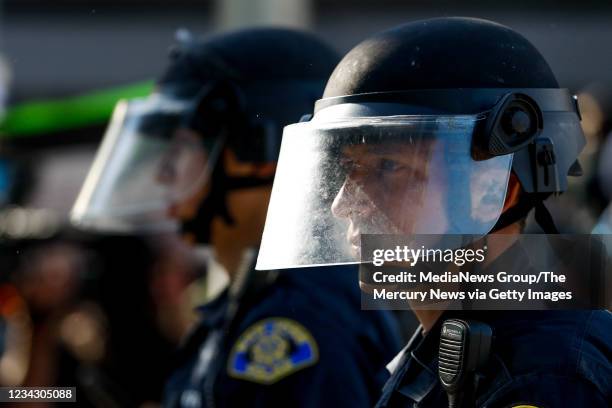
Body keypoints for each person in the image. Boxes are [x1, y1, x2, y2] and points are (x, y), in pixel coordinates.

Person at [256, 18, 611, 407]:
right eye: (346, 170)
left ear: (493, 190)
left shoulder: (544, 375)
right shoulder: (450, 349)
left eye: (387, 167)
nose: (343, 204)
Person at [71, 27, 402, 407]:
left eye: (181, 150)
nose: (164, 175)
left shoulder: (300, 318)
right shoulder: (255, 299)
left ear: (262, 153)